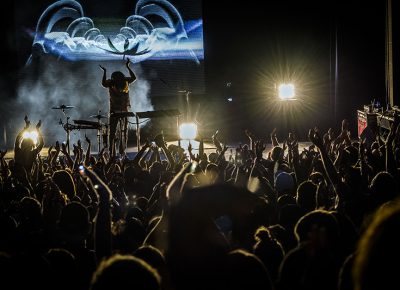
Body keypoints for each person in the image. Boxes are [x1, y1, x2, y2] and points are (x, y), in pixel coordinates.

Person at [99, 58, 136, 156]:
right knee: (120, 132)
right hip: (119, 111)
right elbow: (134, 78)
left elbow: (103, 83)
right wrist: (128, 66)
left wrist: (105, 72)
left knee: (117, 132)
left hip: (118, 111)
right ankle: (118, 151)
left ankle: (116, 151)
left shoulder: (116, 83)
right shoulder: (120, 82)